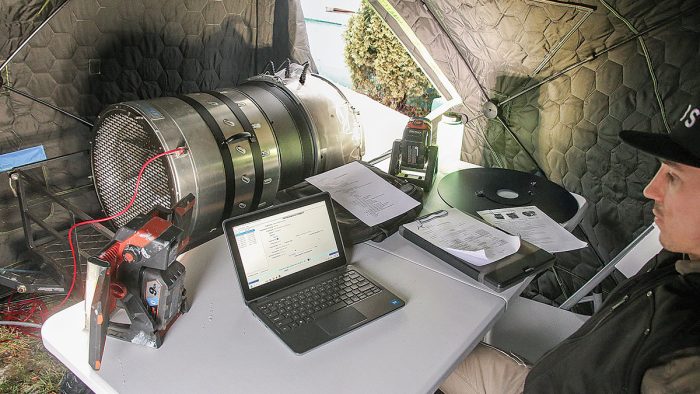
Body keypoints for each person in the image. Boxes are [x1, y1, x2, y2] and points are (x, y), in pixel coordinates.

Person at [440, 99, 700, 393]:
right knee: (432, 341)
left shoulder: (685, 365)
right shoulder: (683, 257)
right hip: (549, 373)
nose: (650, 189)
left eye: (674, 177)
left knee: (418, 352)